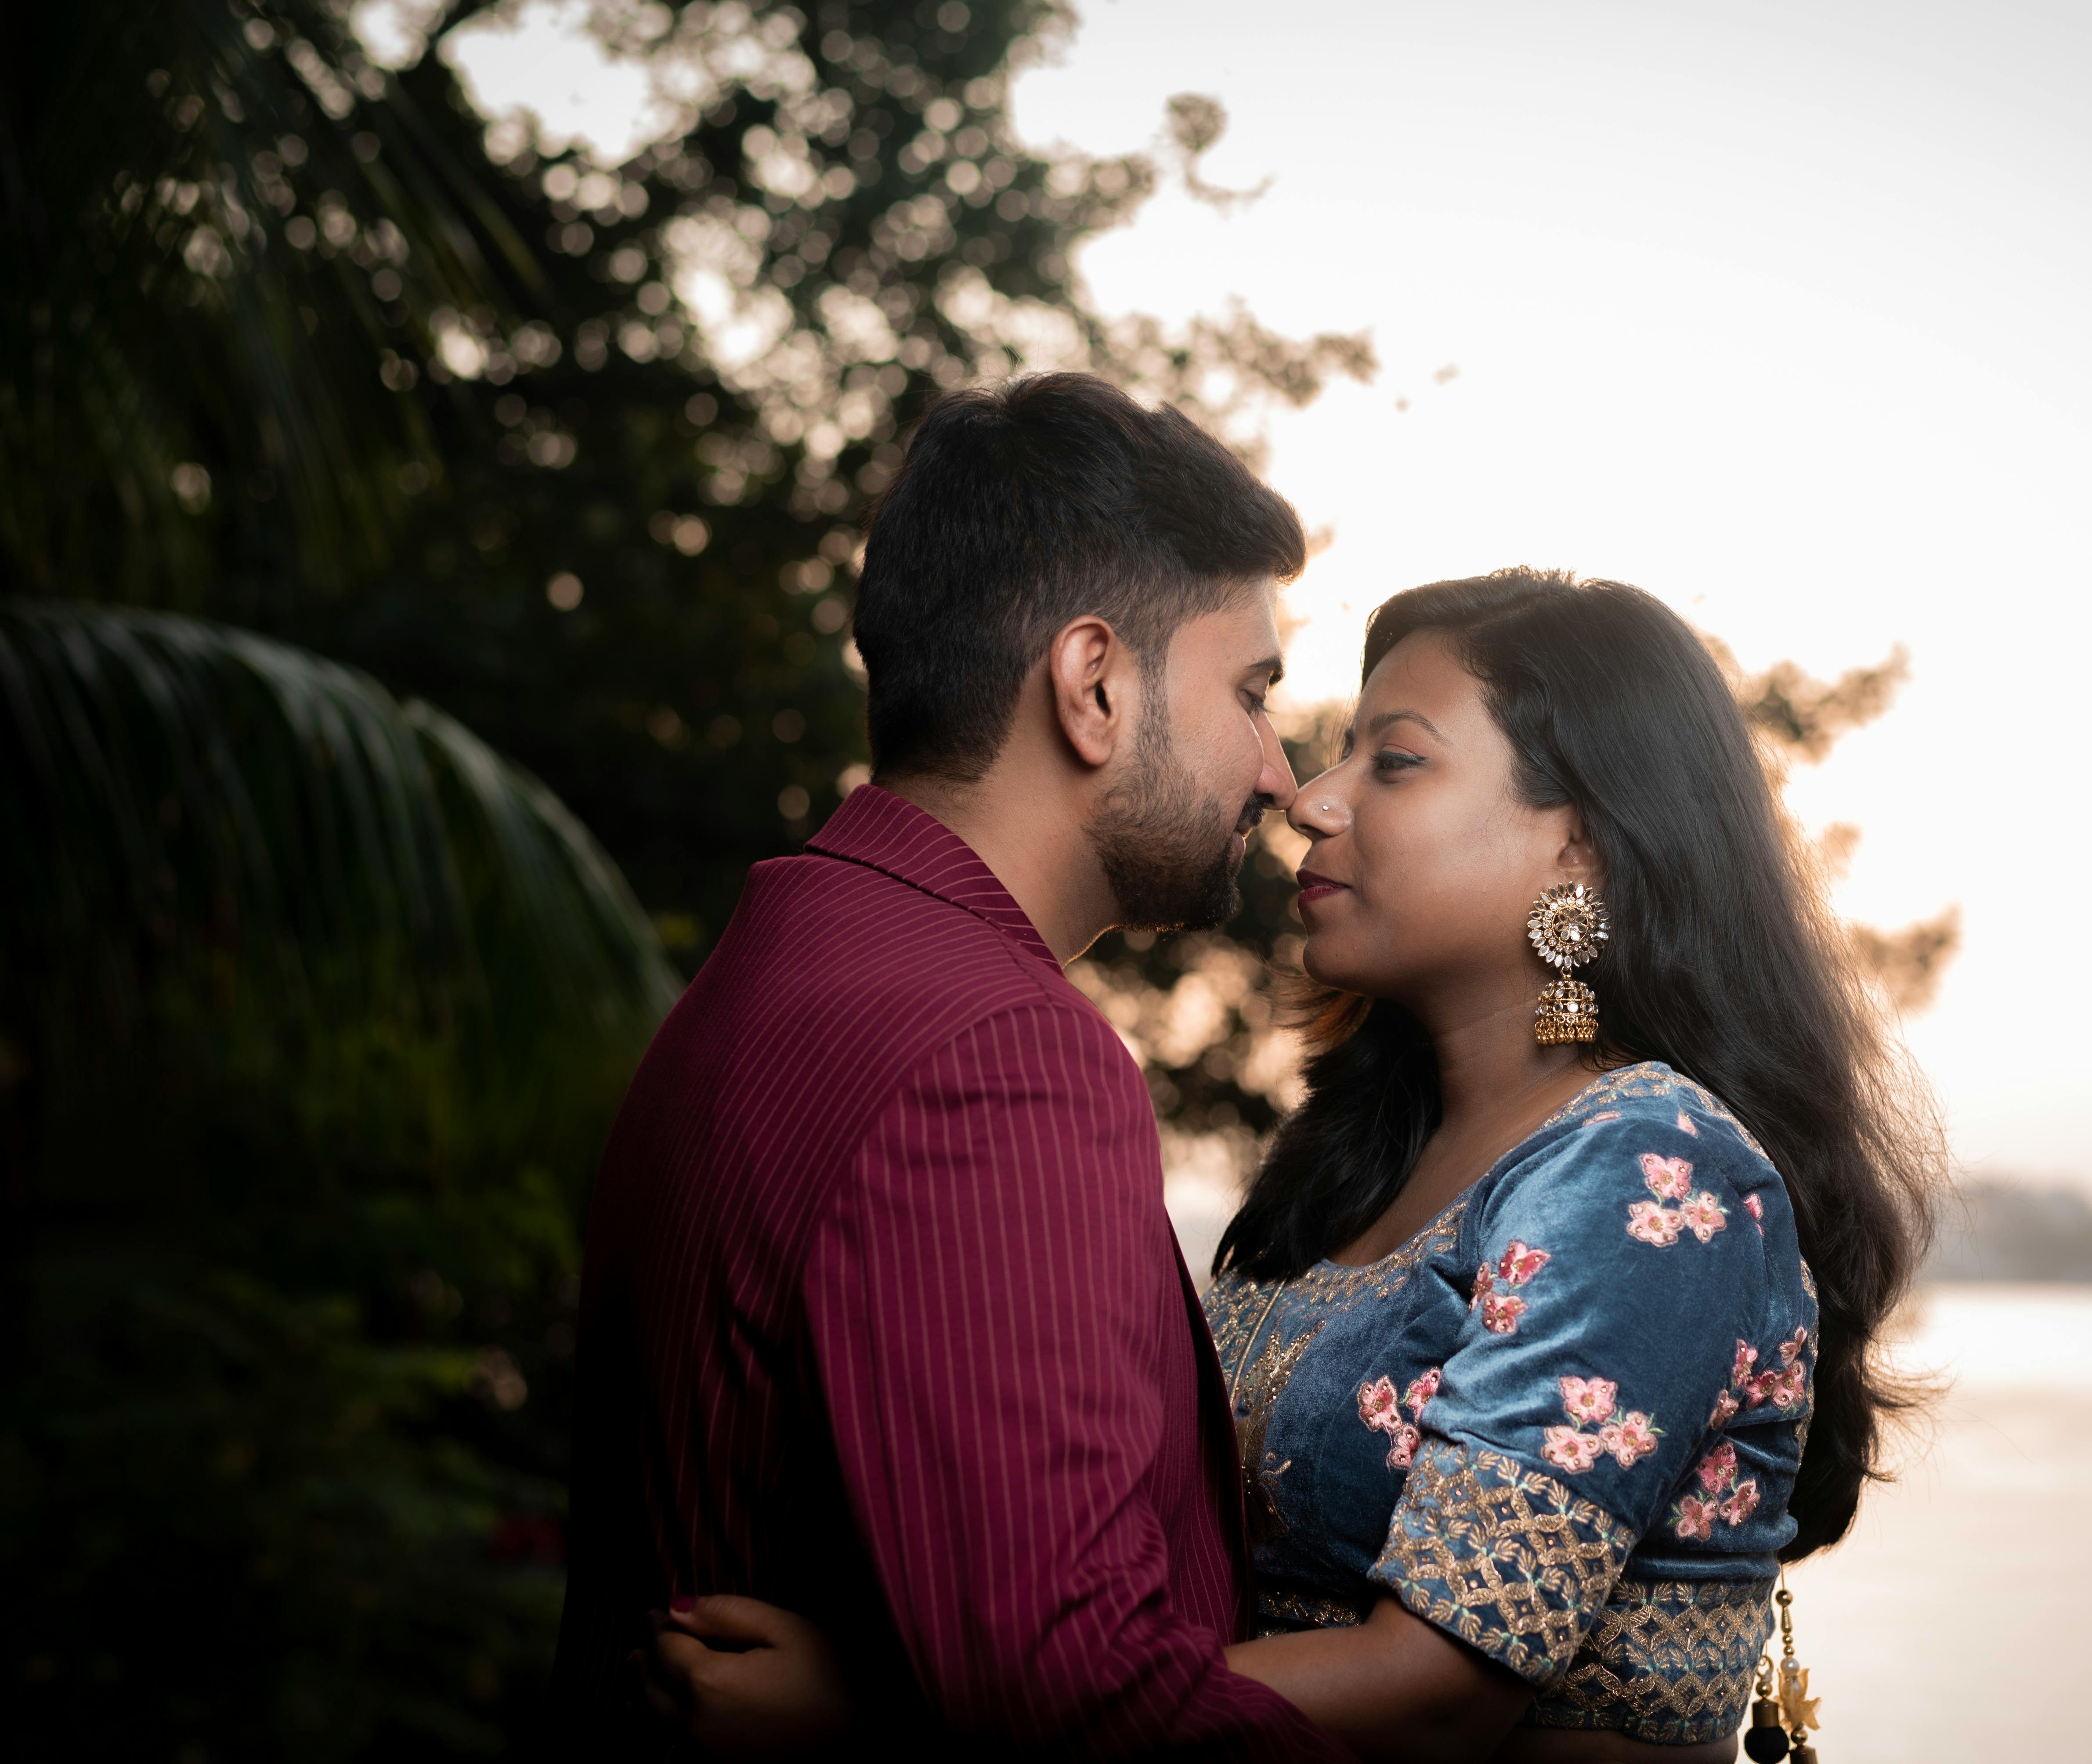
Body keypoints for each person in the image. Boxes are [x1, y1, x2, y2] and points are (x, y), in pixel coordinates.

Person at [643, 569, 1943, 1760]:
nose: (1309, 800)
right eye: (1333, 754)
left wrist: (890, 1718)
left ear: (1580, 846)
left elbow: (1435, 1690)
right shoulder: (1358, 1168)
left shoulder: (1652, 1166)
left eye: (1396, 762)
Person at [551, 372, 1352, 1760]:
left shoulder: (778, 965)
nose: (1281, 775)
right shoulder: (995, 1055)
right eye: (1252, 692)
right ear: (1094, 684)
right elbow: (1090, 1710)